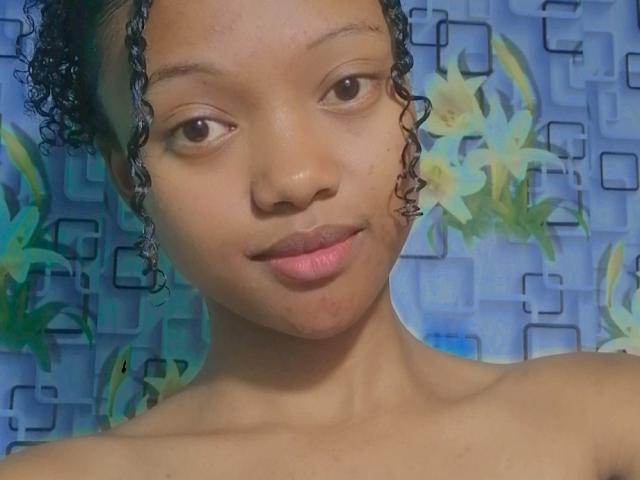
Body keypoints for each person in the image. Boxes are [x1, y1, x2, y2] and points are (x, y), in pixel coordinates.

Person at [0, 0, 638, 478]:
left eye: (346, 87)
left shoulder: (609, 422)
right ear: (130, 182)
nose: (294, 179)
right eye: (198, 127)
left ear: (405, 98)